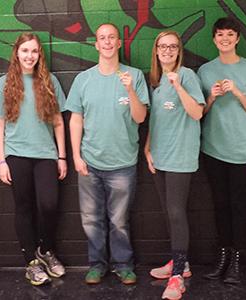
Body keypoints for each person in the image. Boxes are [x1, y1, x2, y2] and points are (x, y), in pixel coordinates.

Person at [65, 23, 149, 285]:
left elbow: (140, 116)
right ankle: (97, 265)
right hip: (90, 162)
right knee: (91, 220)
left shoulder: (133, 76)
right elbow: (75, 119)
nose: (108, 42)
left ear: (119, 43)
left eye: (112, 37)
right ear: (96, 44)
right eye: (103, 38)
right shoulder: (84, 79)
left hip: (123, 164)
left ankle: (123, 265)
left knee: (119, 221)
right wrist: (76, 156)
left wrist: (130, 90)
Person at [197, 17, 246, 284]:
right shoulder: (205, 71)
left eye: (230, 34)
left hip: (243, 151)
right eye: (220, 35)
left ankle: (237, 261)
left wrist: (239, 94)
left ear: (237, 38)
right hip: (213, 150)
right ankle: (223, 258)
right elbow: (198, 113)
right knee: (220, 206)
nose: (225, 39)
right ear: (214, 39)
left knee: (240, 206)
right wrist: (211, 97)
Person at [0, 33, 67, 286]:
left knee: (49, 204)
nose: (29, 56)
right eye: (25, 50)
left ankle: (45, 251)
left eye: (34, 51)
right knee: (23, 207)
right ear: (17, 53)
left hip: (45, 155)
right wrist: (1, 161)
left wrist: (62, 156)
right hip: (16, 155)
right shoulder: (4, 83)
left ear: (39, 54)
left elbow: (58, 122)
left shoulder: (49, 80)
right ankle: (31, 264)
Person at [144, 31, 205, 299]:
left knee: (176, 212)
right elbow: (156, 120)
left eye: (172, 46)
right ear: (156, 51)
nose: (167, 50)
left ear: (179, 50)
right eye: (162, 46)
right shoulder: (154, 81)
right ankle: (181, 262)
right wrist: (147, 147)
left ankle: (178, 276)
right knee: (169, 213)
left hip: (181, 155)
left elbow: (197, 113)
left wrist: (179, 86)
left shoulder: (188, 76)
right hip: (160, 155)